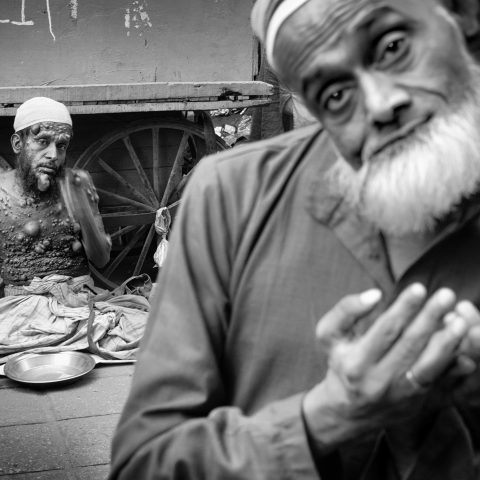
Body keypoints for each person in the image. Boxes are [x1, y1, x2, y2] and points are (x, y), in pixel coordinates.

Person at [110, 0, 480, 478]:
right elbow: (144, 465)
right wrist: (328, 415)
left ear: (463, 19)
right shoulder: (233, 196)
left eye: (392, 47)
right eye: (334, 95)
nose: (383, 105)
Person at [0, 97, 149, 360]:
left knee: (156, 331)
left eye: (61, 145)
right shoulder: (1, 190)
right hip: (20, 307)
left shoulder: (77, 182)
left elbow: (101, 260)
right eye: (42, 141)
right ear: (17, 143)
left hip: (80, 301)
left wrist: (81, 205)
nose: (53, 155)